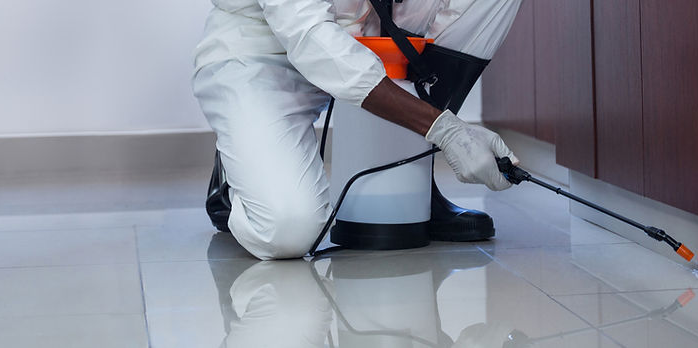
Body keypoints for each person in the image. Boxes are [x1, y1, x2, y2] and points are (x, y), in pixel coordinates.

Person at [193, 0, 523, 260]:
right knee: (288, 229)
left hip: (368, 37)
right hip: (264, 54)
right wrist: (444, 129)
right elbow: (308, 36)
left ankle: (413, 178)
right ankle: (235, 171)